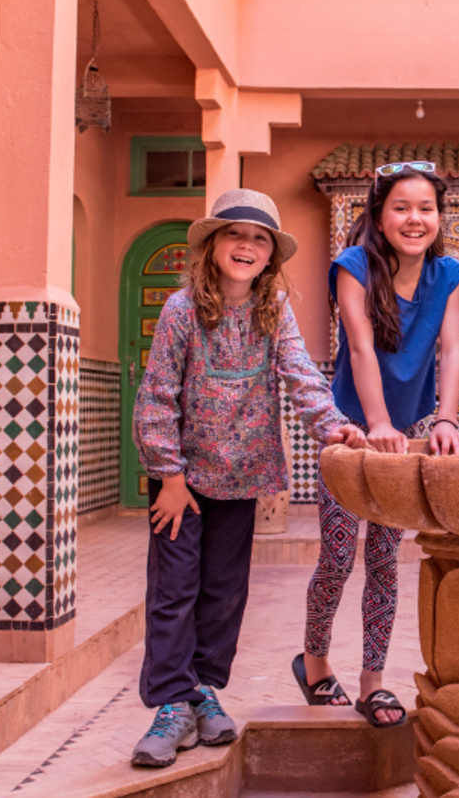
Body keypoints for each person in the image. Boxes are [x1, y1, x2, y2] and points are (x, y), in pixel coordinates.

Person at [130, 189, 365, 768]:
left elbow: (302, 375)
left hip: (241, 479)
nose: (247, 246)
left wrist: (335, 427)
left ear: (270, 257)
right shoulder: (182, 309)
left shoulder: (273, 310)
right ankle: (170, 704)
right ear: (212, 245)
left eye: (260, 239)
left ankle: (203, 692)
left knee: (223, 591)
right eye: (235, 234)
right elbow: (157, 395)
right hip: (182, 482)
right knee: (173, 592)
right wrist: (169, 476)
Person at [295, 161, 459, 728]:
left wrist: (446, 418)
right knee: (338, 554)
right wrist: (376, 424)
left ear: (439, 217)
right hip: (349, 429)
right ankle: (316, 661)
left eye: (426, 208)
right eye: (401, 207)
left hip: (412, 426)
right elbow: (362, 348)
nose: (414, 218)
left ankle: (374, 682)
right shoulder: (352, 267)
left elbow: (453, 350)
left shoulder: (451, 276)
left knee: (385, 559)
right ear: (378, 214)